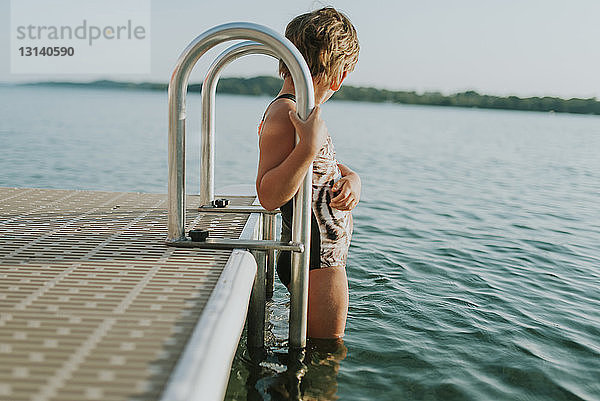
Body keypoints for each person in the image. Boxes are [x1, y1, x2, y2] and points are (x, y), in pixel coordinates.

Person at [256, 7, 361, 338]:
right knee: (324, 359)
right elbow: (269, 194)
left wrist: (351, 178)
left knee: (314, 352)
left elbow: (320, 167)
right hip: (320, 261)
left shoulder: (303, 111)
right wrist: (307, 147)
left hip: (318, 255)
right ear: (340, 76)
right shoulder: (284, 113)